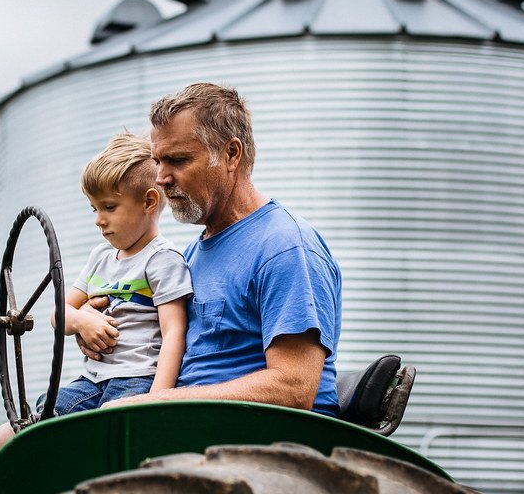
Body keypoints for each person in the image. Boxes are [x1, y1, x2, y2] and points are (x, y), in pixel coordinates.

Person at [89, 82, 341, 416]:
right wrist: (103, 330)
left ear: (231, 154)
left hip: (258, 442)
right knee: (11, 439)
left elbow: (293, 387)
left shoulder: (284, 247)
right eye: (157, 161)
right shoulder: (187, 258)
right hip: (189, 429)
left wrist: (161, 400)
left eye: (177, 160)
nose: (161, 178)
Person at [0, 133, 193, 467]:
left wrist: (157, 400)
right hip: (92, 381)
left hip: (136, 380)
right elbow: (59, 312)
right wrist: (83, 320)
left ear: (150, 202)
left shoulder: (163, 260)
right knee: (43, 418)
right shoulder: (101, 258)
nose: (99, 219)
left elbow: (174, 333)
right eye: (94, 208)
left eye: (110, 207)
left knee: (109, 439)